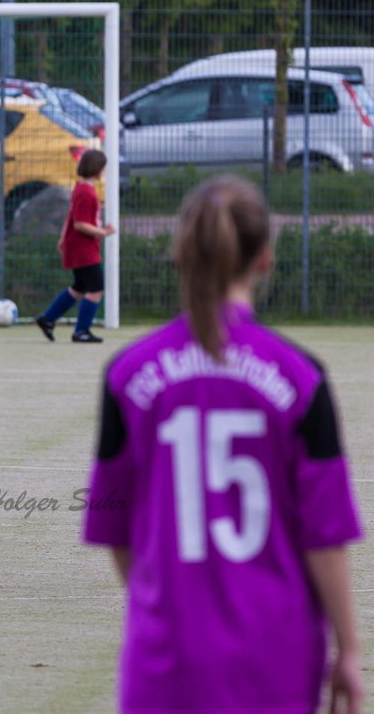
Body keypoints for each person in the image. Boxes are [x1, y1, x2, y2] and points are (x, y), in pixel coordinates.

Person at [82, 174, 362, 713]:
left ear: (182, 254)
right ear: (264, 259)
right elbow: (325, 536)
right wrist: (348, 649)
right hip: (276, 653)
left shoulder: (128, 374)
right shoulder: (301, 377)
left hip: (166, 656)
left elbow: (114, 528)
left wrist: (163, 601)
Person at [34, 148, 115, 343]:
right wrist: (103, 232)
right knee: (96, 288)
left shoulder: (80, 188)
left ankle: (47, 319)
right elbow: (79, 224)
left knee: (80, 286)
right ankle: (81, 331)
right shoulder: (86, 193)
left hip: (78, 246)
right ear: (97, 169)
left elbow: (71, 218)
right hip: (83, 249)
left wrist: (62, 238)